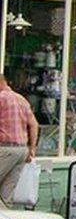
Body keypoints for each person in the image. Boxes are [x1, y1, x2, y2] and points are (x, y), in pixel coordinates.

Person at [0, 74, 38, 208]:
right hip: (22, 150)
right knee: (6, 193)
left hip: (4, 148)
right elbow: (34, 124)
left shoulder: (1, 98)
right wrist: (32, 148)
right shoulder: (21, 99)